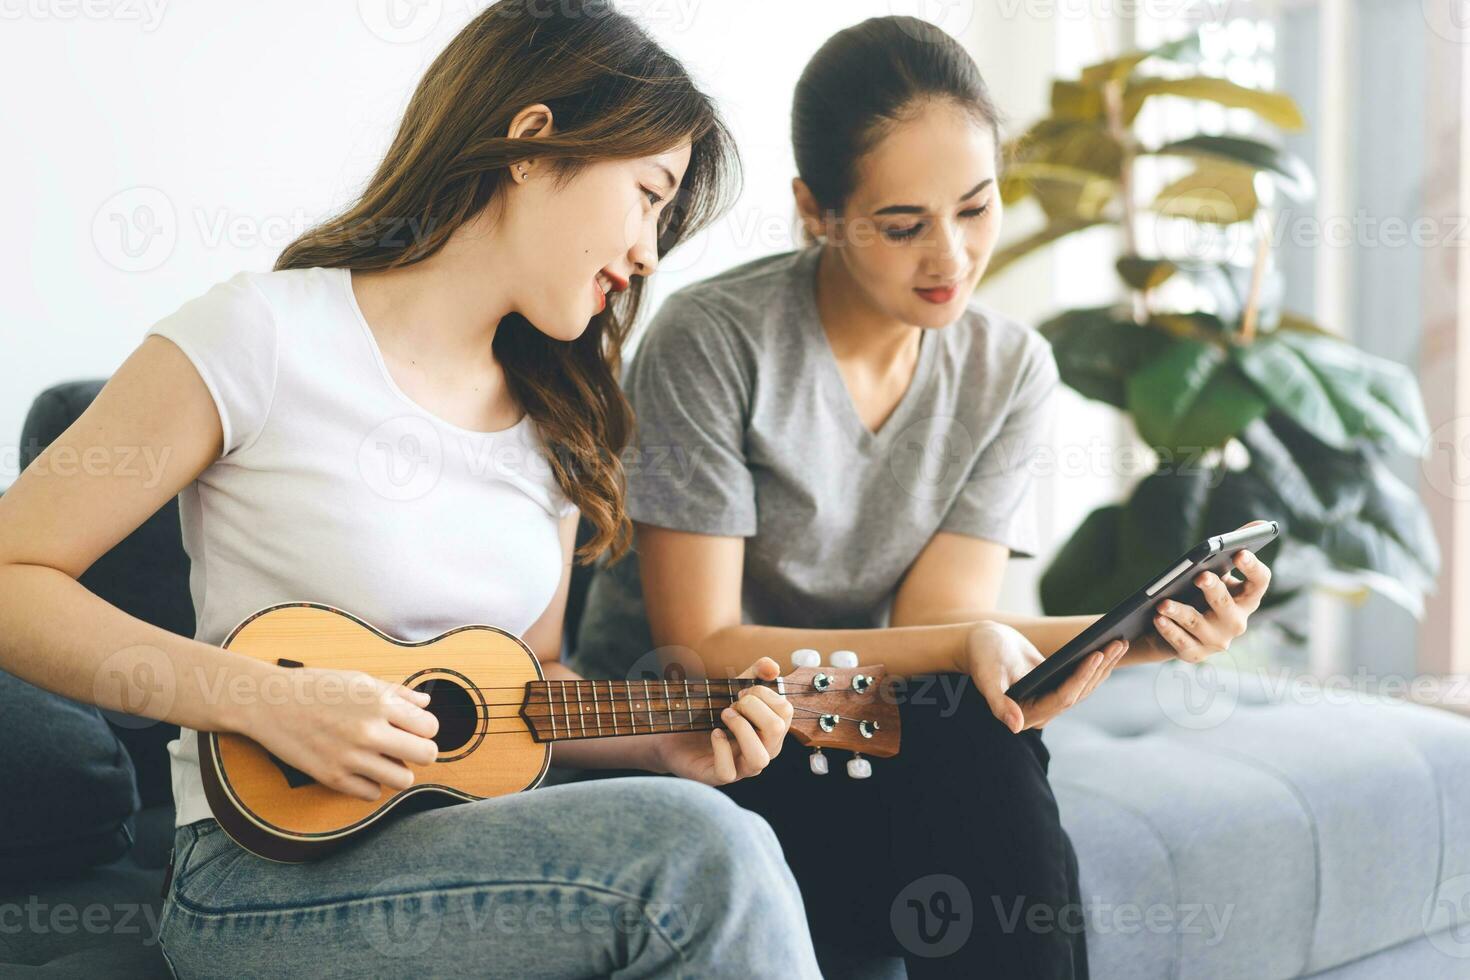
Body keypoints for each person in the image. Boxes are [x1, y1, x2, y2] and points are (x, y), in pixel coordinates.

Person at [0, 3, 824, 977]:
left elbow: (526, 683)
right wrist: (260, 699)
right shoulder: (260, 336)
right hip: (260, 876)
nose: (651, 251)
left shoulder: (563, 420)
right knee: (701, 852)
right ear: (531, 139)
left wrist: (658, 745)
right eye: (649, 193)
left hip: (475, 849)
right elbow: (15, 571)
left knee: (705, 820)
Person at [571, 16, 1275, 979]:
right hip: (707, 732)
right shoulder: (715, 341)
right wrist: (969, 652)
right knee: (967, 736)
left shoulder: (1007, 369)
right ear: (817, 210)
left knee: (973, 725)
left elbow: (941, 629)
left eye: (976, 209)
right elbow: (709, 647)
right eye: (904, 226)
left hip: (869, 717)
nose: (951, 257)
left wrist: (1150, 632)